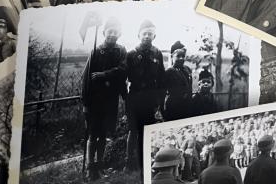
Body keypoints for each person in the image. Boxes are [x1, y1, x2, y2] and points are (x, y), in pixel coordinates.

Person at [81, 16, 127, 181]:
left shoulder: (121, 51)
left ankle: (99, 166)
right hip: (95, 101)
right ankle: (89, 168)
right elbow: (86, 78)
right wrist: (86, 103)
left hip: (111, 101)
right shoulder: (96, 51)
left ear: (119, 34)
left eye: (115, 32)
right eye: (110, 31)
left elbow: (122, 70)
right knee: (93, 135)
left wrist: (103, 75)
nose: (112, 34)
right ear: (104, 32)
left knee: (103, 135)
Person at [126, 19, 165, 170]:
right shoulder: (131, 54)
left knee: (147, 129)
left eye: (150, 34)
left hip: (150, 98)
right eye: (144, 33)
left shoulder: (157, 53)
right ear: (139, 35)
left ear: (154, 36)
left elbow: (161, 78)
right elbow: (125, 77)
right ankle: (129, 162)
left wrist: (159, 100)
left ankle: (143, 160)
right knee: (133, 130)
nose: (147, 36)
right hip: (135, 97)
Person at [163, 41, 193, 121]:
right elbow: (163, 91)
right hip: (173, 106)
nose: (181, 58)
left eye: (183, 56)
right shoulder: (169, 72)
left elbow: (189, 87)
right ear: (172, 56)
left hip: (187, 105)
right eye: (178, 56)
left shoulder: (187, 69)